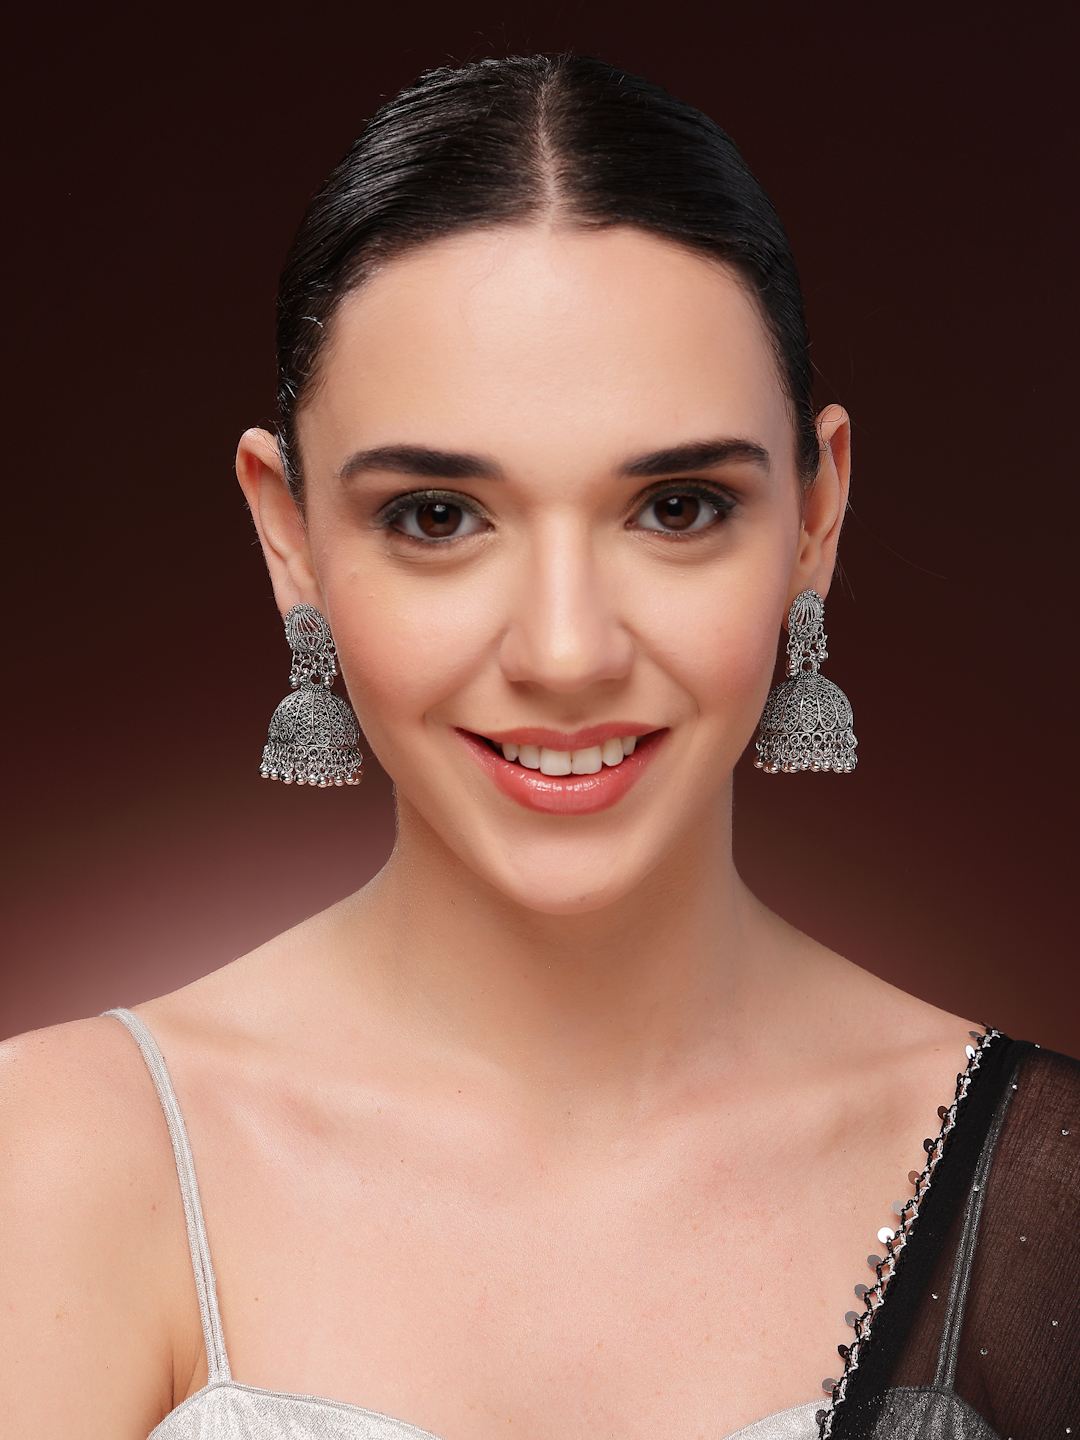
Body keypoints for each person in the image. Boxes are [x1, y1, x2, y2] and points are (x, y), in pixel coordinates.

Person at [0, 54, 1075, 1440]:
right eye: (439, 517)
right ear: (289, 534)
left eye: (676, 507)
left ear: (815, 518)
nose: (567, 653)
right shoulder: (58, 1161)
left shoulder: (1043, 1187)